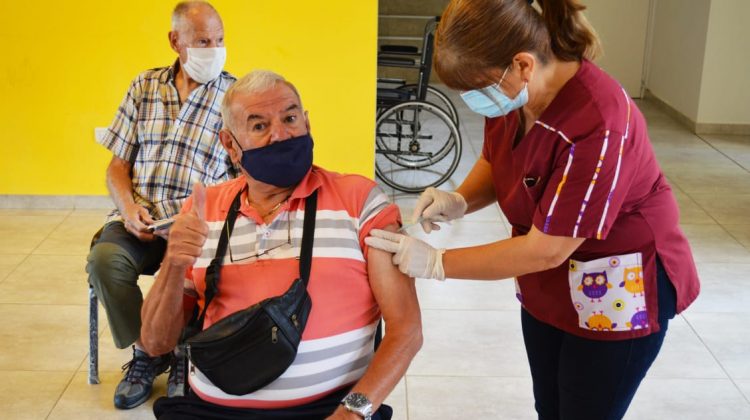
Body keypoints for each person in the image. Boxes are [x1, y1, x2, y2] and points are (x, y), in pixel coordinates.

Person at [365, 0, 701, 419]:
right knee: (551, 407)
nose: (475, 101)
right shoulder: (515, 95)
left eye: (477, 90)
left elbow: (547, 249)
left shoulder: (600, 121)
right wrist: (460, 201)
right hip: (550, 284)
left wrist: (436, 262)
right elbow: (497, 158)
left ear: (522, 64)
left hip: (618, 284)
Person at [140, 70, 422, 420]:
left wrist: (352, 413)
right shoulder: (203, 210)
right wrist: (173, 264)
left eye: (290, 118)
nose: (280, 135)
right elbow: (155, 343)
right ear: (230, 145)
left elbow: (407, 330)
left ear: (307, 123)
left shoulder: (359, 201)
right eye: (259, 126)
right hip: (211, 410)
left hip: (331, 410)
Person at [85, 1, 236, 410]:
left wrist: (199, 217)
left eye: (220, 40)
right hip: (139, 218)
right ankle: (148, 353)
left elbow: (245, 180)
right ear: (176, 41)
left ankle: (181, 354)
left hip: (197, 224)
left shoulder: (235, 96)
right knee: (104, 262)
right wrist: (129, 208)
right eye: (203, 41)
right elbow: (117, 164)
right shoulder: (144, 86)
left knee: (198, 277)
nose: (215, 49)